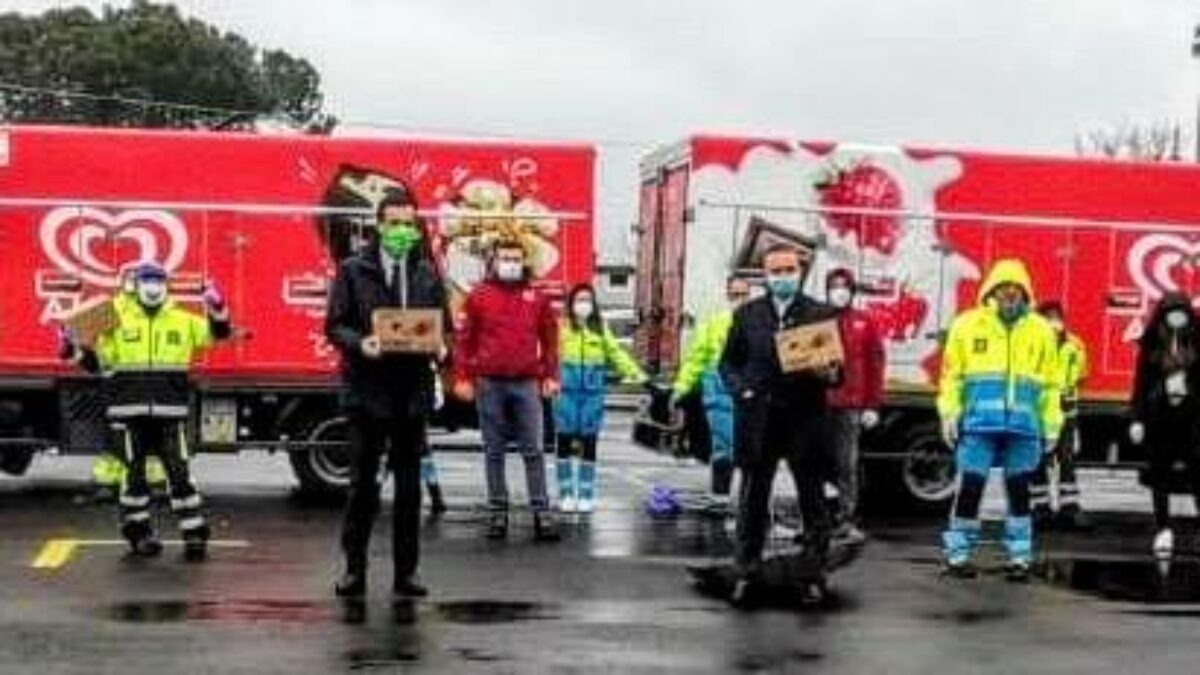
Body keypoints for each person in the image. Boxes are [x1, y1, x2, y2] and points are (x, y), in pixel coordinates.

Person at [59, 261, 231, 560]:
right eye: (146, 280)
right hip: (128, 416)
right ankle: (138, 535)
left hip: (170, 415)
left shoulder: (183, 320)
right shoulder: (114, 318)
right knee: (134, 477)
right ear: (135, 286)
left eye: (158, 280)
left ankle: (194, 534)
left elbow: (219, 334)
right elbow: (98, 364)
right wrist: (70, 349)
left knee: (179, 475)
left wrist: (217, 307)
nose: (153, 286)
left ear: (166, 285)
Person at [325, 189, 450, 599]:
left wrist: (444, 347)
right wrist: (360, 343)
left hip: (410, 394)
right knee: (363, 487)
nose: (401, 230)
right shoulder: (352, 270)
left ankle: (406, 574)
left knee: (410, 490)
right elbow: (335, 325)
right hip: (366, 392)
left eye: (408, 223)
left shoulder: (427, 273)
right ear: (379, 225)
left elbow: (444, 327)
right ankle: (354, 570)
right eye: (394, 222)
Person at [719, 241, 842, 602]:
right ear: (765, 275)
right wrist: (740, 389)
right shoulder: (748, 315)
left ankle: (814, 575)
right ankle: (746, 571)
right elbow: (728, 364)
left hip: (805, 418)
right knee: (753, 498)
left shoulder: (819, 314)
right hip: (760, 419)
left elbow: (838, 374)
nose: (783, 277)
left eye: (790, 270)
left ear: (801, 272)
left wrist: (826, 372)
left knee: (812, 500)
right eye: (776, 271)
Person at [937, 259, 1061, 581]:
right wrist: (949, 412)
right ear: (992, 290)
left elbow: (1050, 384)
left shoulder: (1041, 331)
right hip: (979, 425)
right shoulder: (967, 325)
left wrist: (1051, 424)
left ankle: (1020, 558)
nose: (1009, 294)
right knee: (971, 487)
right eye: (1003, 288)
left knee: (1019, 491)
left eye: (1016, 289)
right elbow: (952, 377)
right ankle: (958, 555)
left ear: (1025, 292)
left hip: (1023, 427)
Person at [452, 239, 561, 541]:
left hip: (527, 383)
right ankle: (498, 512)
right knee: (493, 450)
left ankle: (542, 513)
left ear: (524, 260)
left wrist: (551, 375)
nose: (510, 263)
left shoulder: (536, 298)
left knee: (534, 450)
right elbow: (464, 340)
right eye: (504, 257)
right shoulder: (479, 296)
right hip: (489, 383)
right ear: (494, 260)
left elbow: (551, 340)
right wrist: (461, 377)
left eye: (515, 257)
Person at [555, 284, 647, 514]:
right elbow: (549, 355)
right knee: (564, 441)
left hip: (593, 393)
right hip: (566, 392)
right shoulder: (562, 328)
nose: (583, 304)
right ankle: (566, 494)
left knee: (589, 442)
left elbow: (616, 353)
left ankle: (585, 495)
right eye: (579, 299)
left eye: (587, 299)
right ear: (571, 302)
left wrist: (636, 374)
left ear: (593, 302)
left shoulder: (600, 328)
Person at [1128, 292, 1200, 560]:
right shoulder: (1152, 345)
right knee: (1160, 475)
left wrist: (1188, 388)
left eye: (1181, 313)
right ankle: (1163, 528)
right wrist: (1137, 419)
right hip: (1160, 418)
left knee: (1197, 473)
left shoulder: (1197, 341)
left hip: (1192, 418)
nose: (1177, 318)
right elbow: (1140, 384)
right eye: (1172, 313)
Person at [672, 277, 751, 514]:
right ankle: (720, 497)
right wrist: (681, 387)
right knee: (723, 446)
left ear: (751, 295)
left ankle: (749, 502)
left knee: (751, 449)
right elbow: (696, 359)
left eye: (743, 294)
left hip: (748, 394)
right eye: (735, 295)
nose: (739, 299)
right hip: (719, 392)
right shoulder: (714, 324)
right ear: (728, 296)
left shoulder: (758, 323)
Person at [825, 268, 885, 542]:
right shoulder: (816, 318)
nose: (840, 291)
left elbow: (875, 365)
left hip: (850, 406)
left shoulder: (865, 322)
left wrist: (872, 405)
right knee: (814, 464)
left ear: (852, 291)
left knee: (846, 465)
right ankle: (817, 517)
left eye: (844, 287)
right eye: (834, 287)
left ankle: (845, 519)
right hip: (818, 405)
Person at [1030, 300, 1089, 529]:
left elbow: (1081, 374)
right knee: (1037, 460)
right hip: (1039, 411)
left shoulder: (1075, 345)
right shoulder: (1032, 344)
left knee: (1067, 460)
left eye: (1057, 316)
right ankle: (1040, 509)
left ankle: (1070, 508)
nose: (1054, 321)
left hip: (1067, 412)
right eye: (1048, 317)